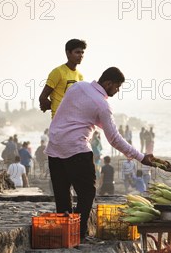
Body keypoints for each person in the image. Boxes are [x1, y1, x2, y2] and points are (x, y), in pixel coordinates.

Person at [45, 66, 155, 243]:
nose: (117, 91)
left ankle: (65, 235)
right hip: (76, 150)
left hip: (55, 147)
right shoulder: (101, 105)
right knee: (87, 192)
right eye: (117, 87)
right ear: (108, 83)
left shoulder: (77, 87)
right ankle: (79, 234)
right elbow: (114, 139)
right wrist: (141, 157)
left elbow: (71, 112)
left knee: (62, 194)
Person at [39, 39, 86, 118]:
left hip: (74, 119)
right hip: (59, 120)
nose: (81, 55)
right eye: (77, 52)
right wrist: (54, 106)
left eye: (82, 52)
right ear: (68, 53)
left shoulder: (80, 76)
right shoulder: (58, 72)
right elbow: (43, 97)